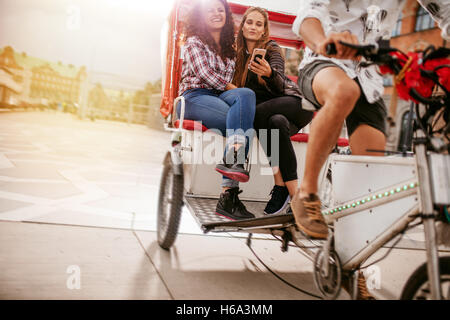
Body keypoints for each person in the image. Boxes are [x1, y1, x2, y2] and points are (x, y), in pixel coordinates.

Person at [291, 0, 450, 299]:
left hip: (369, 77)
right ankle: (306, 193)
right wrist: (324, 41)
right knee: (343, 92)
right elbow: (309, 14)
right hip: (323, 61)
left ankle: (353, 268)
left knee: (367, 186)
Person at [177, 0, 256, 221]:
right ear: (201, 17)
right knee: (243, 119)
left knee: (247, 95)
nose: (216, 13)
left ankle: (232, 163)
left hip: (217, 96)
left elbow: (226, 83)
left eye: (220, 10)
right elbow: (206, 75)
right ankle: (228, 196)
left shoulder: (229, 49)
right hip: (194, 96)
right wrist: (232, 88)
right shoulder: (193, 42)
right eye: (210, 10)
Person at [233, 7, 314, 215]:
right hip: (274, 116)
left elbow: (278, 82)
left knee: (258, 114)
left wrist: (269, 73)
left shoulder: (272, 48)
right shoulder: (236, 56)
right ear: (242, 27)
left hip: (294, 104)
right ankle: (294, 197)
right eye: (249, 22)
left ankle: (278, 185)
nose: (253, 27)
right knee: (275, 123)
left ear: (264, 30)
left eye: (258, 24)